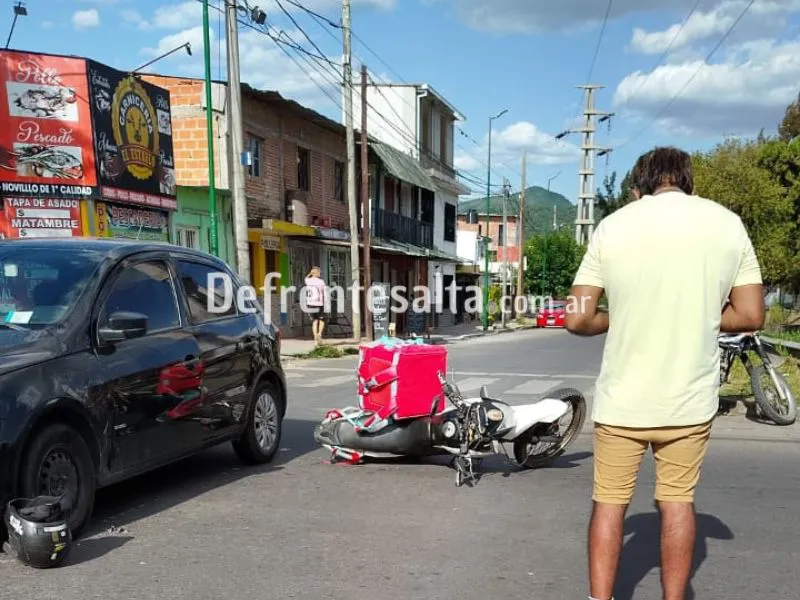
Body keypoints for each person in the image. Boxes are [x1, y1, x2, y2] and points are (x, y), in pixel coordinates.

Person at [564, 146, 765, 600]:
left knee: (609, 504)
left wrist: (620, 316)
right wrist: (702, 316)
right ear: (688, 182)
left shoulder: (613, 226)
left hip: (622, 402)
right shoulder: (726, 224)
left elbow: (576, 317)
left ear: (641, 186)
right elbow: (752, 314)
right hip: (688, 401)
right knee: (677, 502)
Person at [304, 266, 327, 345]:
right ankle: (319, 333)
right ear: (316, 273)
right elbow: (324, 293)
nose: (320, 273)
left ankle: (315, 340)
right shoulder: (321, 282)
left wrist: (310, 273)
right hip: (319, 303)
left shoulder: (308, 281)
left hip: (310, 303)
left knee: (314, 321)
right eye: (319, 272)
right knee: (322, 320)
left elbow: (306, 277)